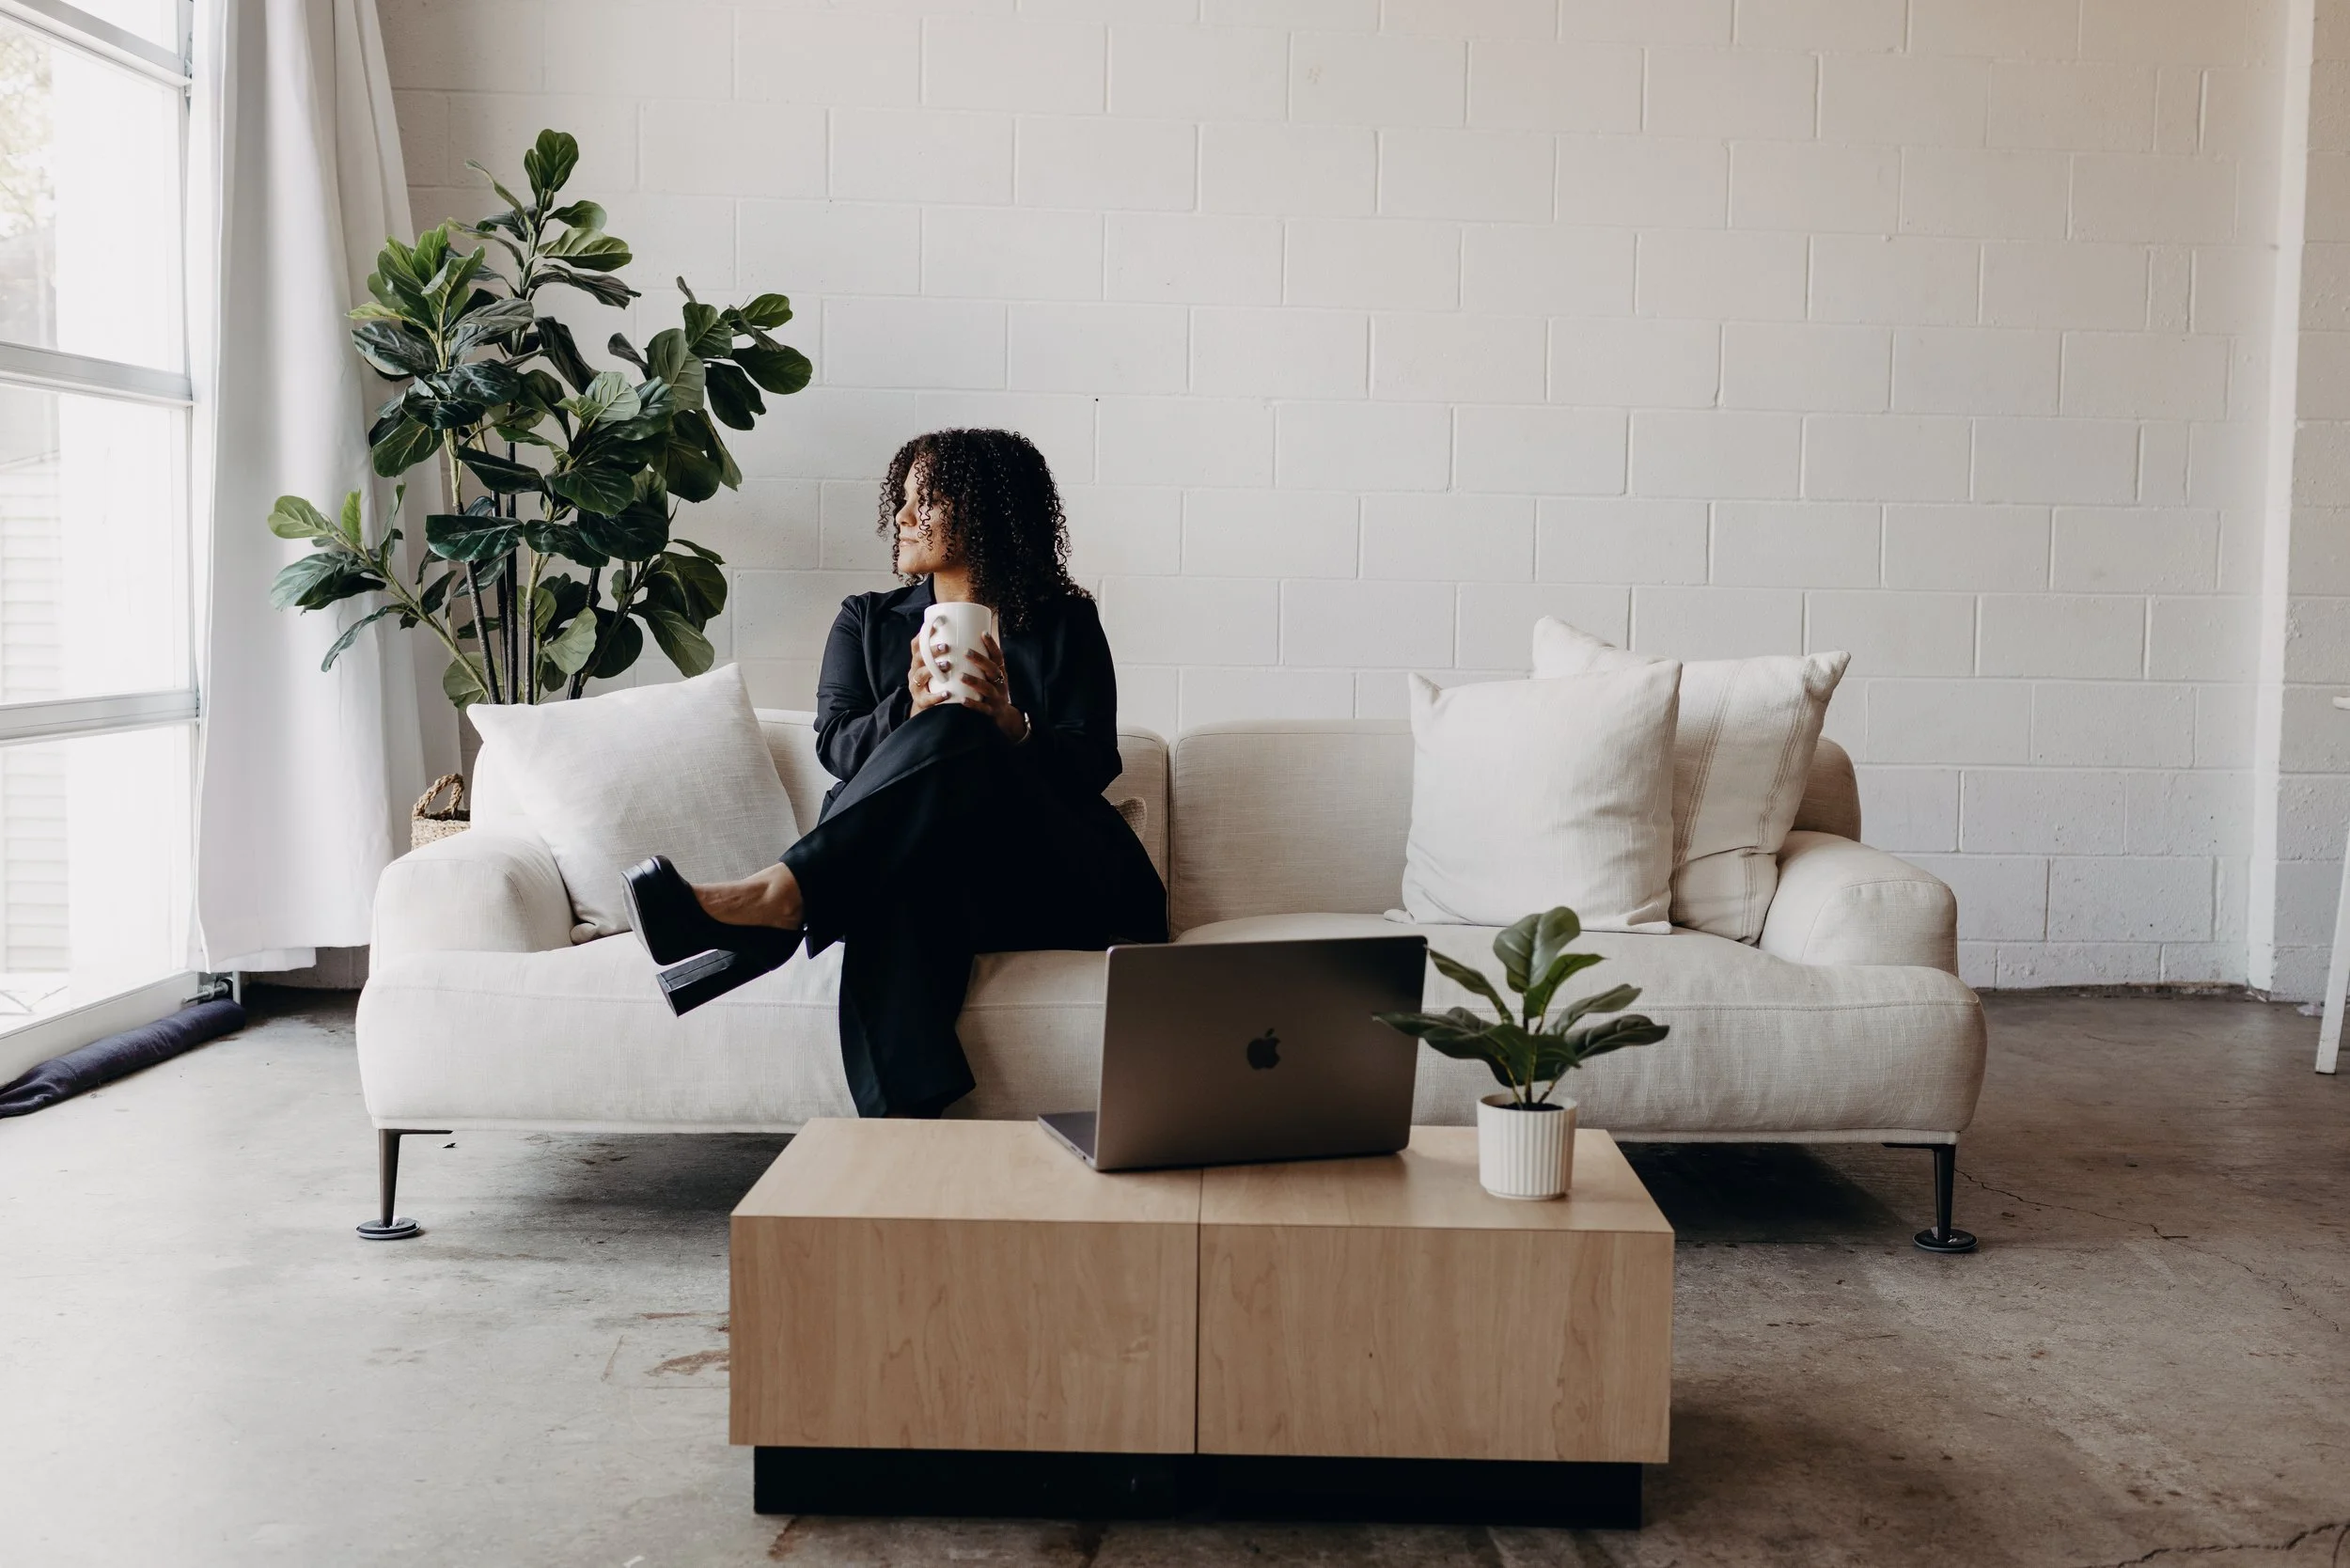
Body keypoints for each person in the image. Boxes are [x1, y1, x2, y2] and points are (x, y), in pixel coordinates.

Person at [621, 429, 1168, 1118]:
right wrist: (906, 710)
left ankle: (783, 896)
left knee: (960, 730)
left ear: (984, 510)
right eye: (903, 499)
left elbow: (1093, 761)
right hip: (932, 872)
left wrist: (1013, 727)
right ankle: (906, 1129)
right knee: (904, 880)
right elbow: (836, 746)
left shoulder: (1065, 621)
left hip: (1049, 873)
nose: (902, 517)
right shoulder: (867, 621)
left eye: (926, 501)